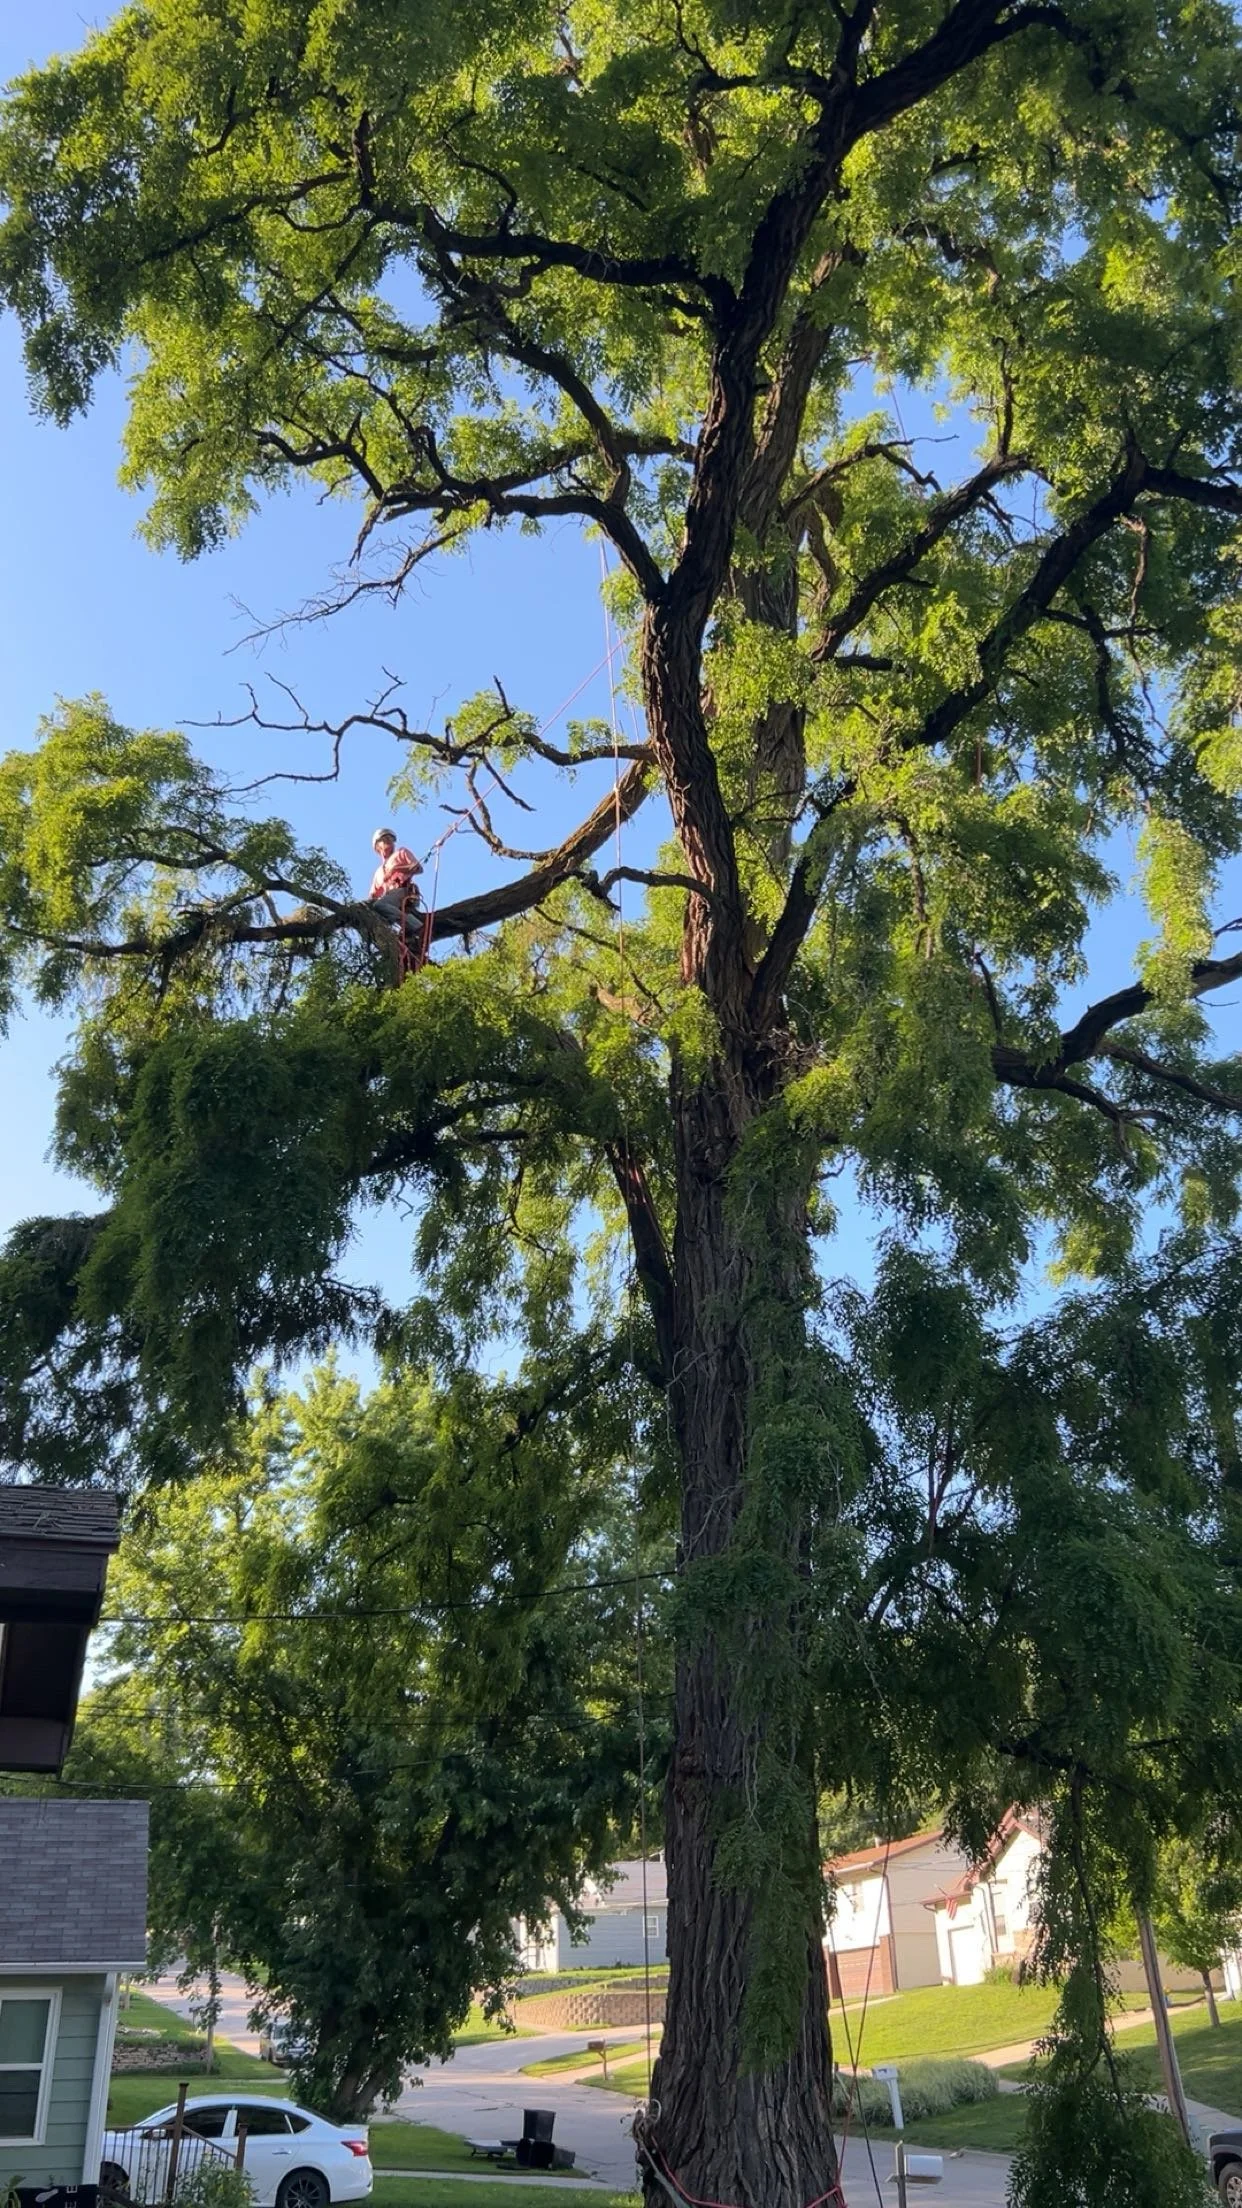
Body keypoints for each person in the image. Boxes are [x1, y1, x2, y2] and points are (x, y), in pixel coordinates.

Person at [367, 827, 423, 932]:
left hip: (404, 891)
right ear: (377, 846)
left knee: (380, 905)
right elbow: (373, 895)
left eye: (391, 839)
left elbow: (418, 868)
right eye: (385, 839)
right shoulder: (379, 872)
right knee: (378, 909)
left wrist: (396, 868)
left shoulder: (401, 852)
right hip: (391, 899)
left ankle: (417, 926)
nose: (389, 841)